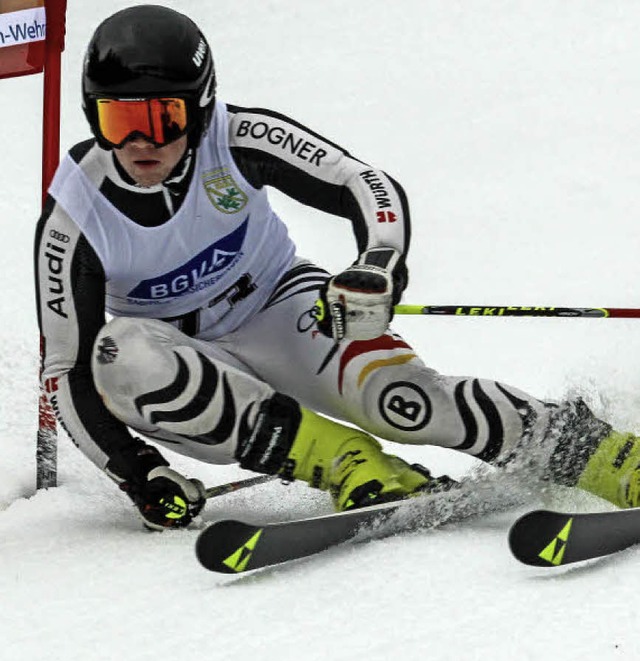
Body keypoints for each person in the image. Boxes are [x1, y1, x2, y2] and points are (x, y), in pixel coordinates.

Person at [34, 4, 640, 531]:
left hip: (279, 304)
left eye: (163, 117)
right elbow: (64, 370)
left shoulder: (237, 137)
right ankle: (346, 463)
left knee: (403, 402)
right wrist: (139, 474)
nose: (142, 141)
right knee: (120, 352)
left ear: (198, 109)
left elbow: (361, 181)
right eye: (119, 119)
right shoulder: (73, 217)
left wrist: (379, 261)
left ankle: (600, 453)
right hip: (182, 362)